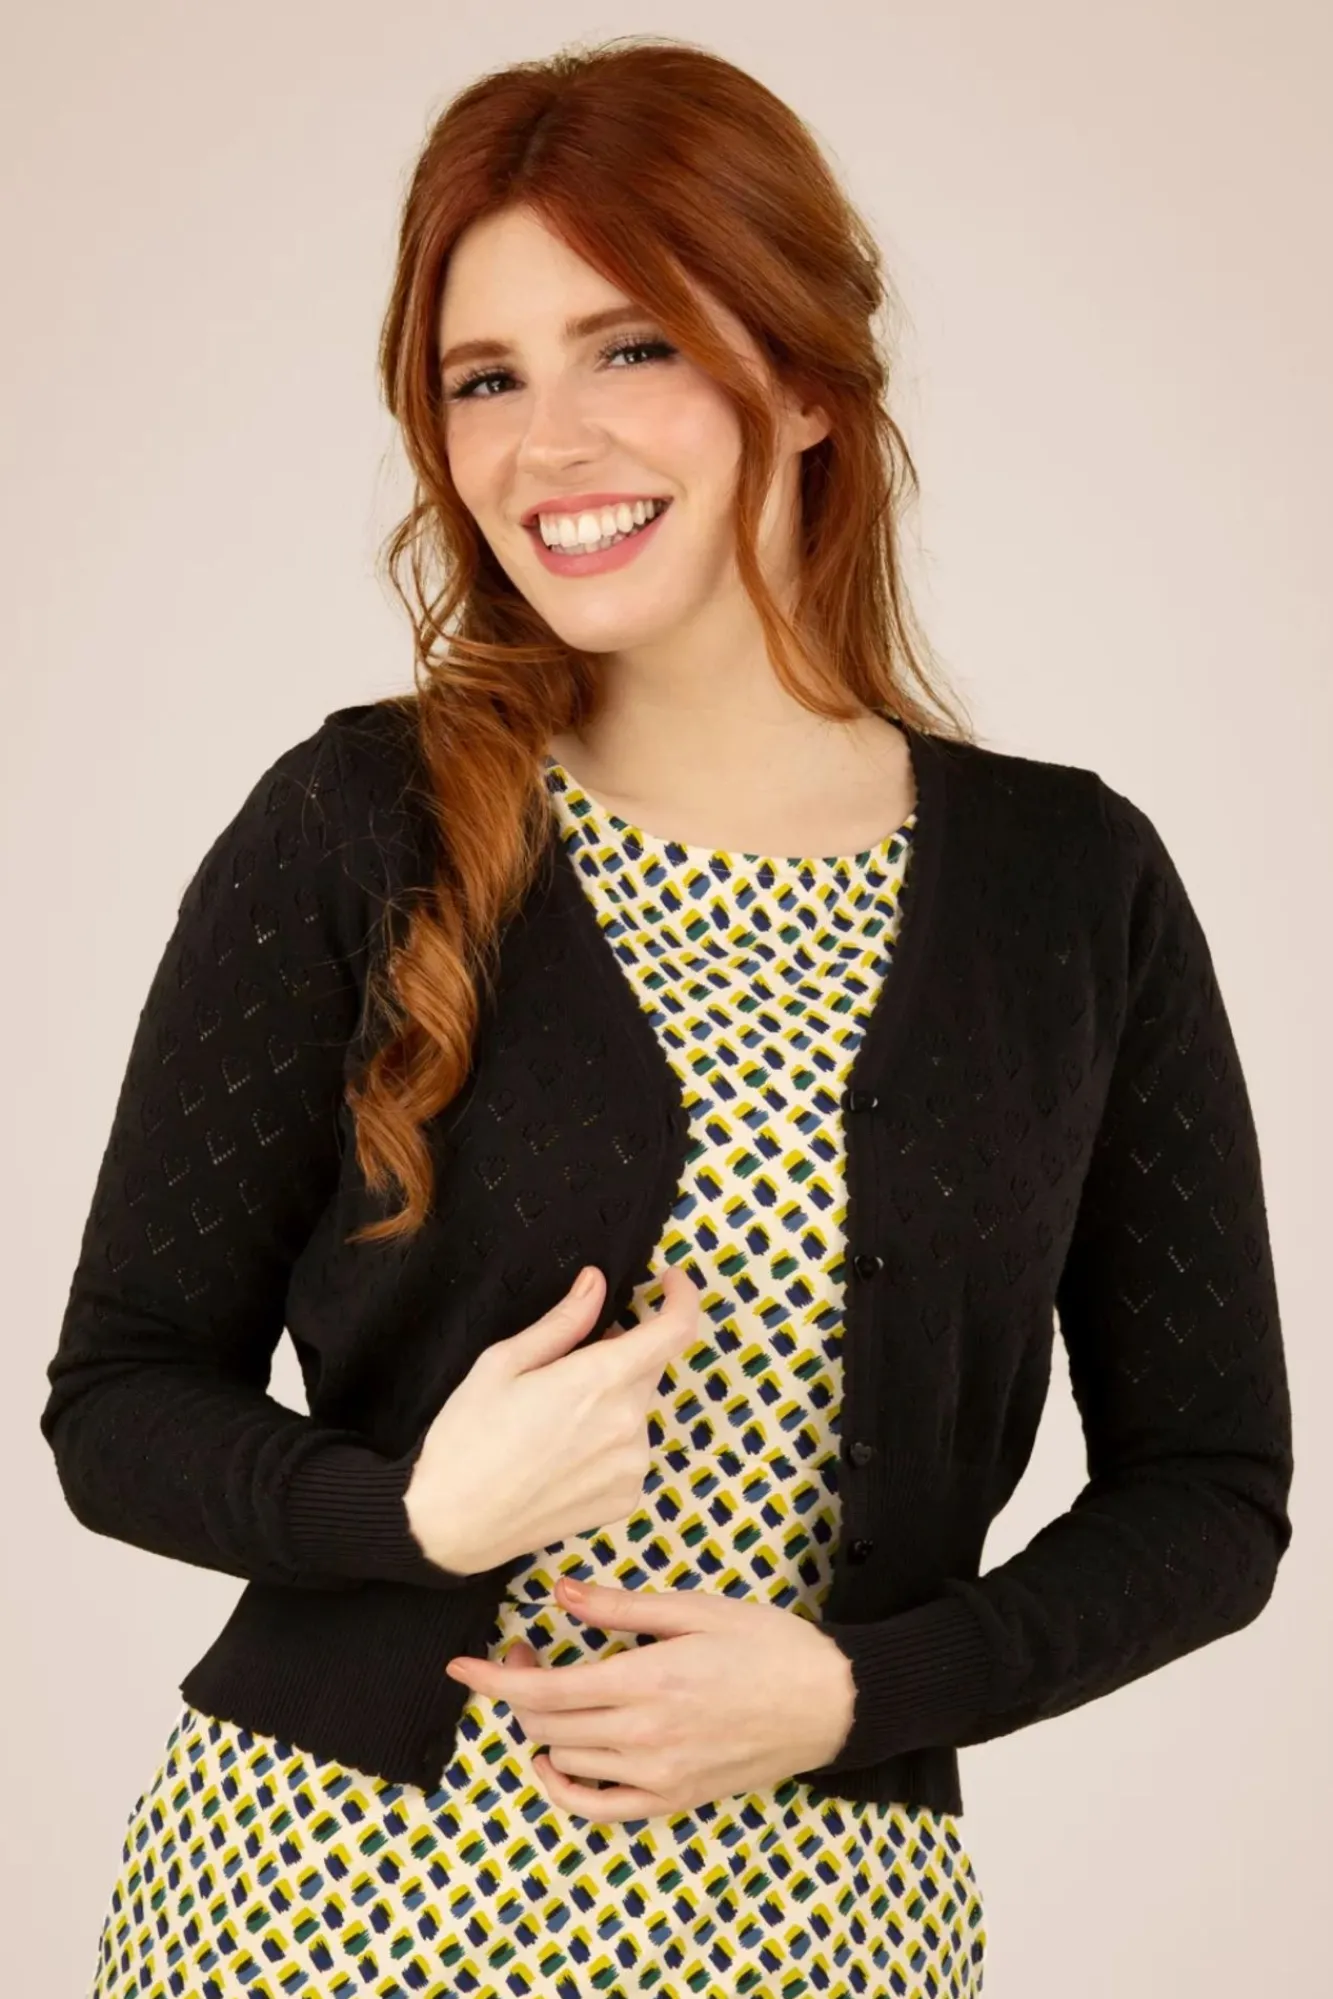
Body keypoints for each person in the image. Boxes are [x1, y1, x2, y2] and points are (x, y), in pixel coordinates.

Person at [44, 35, 1291, 1999]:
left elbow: (1211, 1498)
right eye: (484, 378)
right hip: (324, 1909)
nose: (548, 443)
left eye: (628, 348)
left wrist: (865, 1691)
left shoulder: (1073, 888)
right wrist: (409, 1511)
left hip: (830, 1935)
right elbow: (117, 1399)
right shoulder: (356, 825)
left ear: (801, 380)